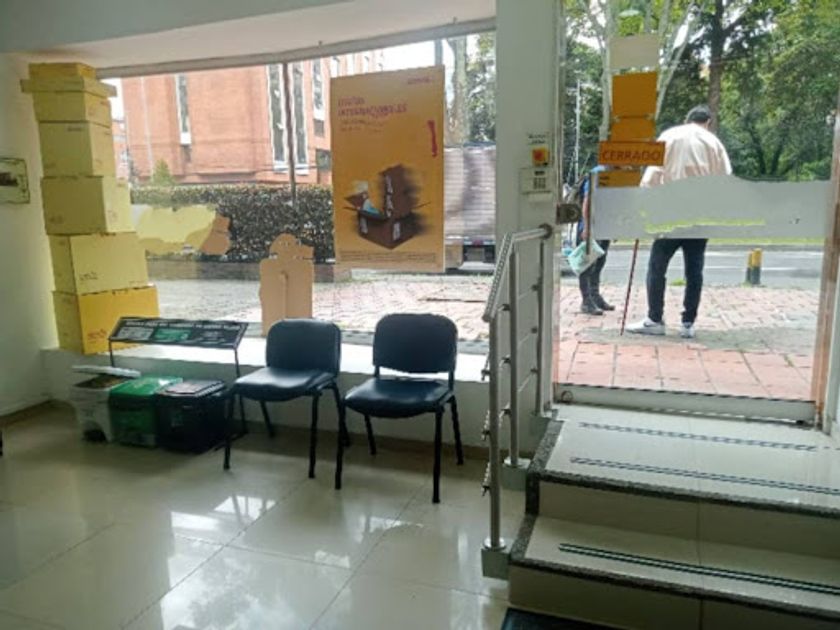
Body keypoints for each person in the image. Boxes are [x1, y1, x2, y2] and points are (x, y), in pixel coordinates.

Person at [627, 105, 732, 339]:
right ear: (708, 122)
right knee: (694, 270)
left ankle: (655, 318)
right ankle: (687, 323)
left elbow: (652, 176)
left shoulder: (669, 136)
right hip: (701, 216)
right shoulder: (714, 143)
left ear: (687, 119)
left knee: (657, 267)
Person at [577, 166, 613, 315]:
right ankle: (587, 301)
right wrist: (586, 227)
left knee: (599, 263)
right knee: (588, 265)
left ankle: (595, 296)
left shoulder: (614, 174)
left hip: (603, 225)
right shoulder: (598, 173)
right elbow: (587, 202)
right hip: (591, 226)